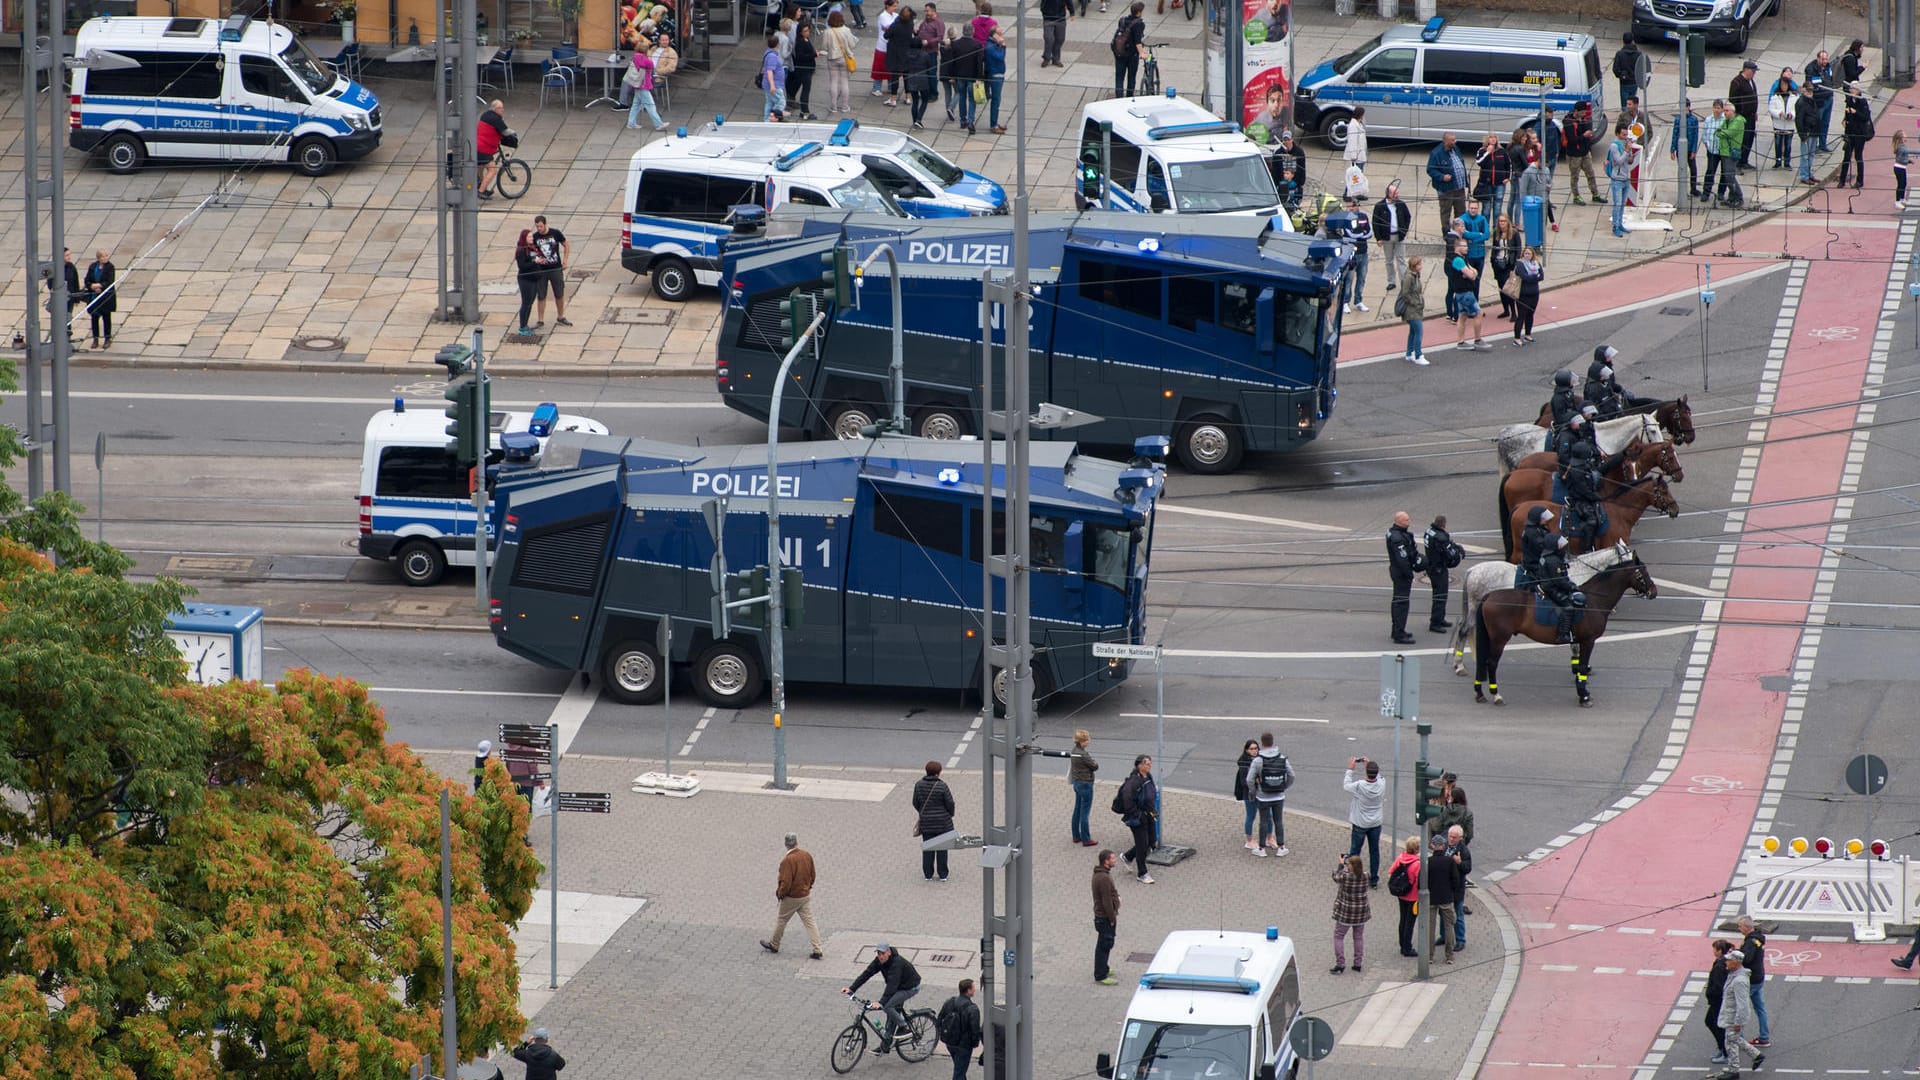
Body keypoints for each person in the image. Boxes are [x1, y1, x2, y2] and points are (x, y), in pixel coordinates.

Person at [845, 943, 923, 1051]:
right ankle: (886, 1045)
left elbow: (892, 985)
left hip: (910, 987)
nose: (880, 956)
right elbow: (867, 974)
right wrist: (852, 988)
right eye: (878, 953)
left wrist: (881, 1002)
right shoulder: (879, 961)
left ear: (889, 952)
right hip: (898, 986)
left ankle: (904, 1027)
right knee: (890, 1017)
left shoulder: (897, 963)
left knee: (887, 1006)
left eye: (883, 953)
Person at [761, 832, 825, 958]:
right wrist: (808, 887)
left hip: (791, 897)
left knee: (782, 919)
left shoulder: (787, 860)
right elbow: (813, 874)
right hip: (805, 895)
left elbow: (786, 882)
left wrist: (780, 894)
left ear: (786, 844)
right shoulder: (806, 855)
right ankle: (817, 948)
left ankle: (774, 944)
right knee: (810, 922)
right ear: (796, 842)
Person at [1713, 951, 1765, 1078]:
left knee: (1731, 1041)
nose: (1726, 962)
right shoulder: (1734, 975)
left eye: (1729, 960)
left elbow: (1743, 1004)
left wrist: (1739, 1021)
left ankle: (1735, 1070)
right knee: (1732, 1040)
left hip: (1733, 1016)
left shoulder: (1739, 980)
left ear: (1736, 962)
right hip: (1730, 1014)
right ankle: (1751, 1058)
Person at [1245, 733, 1294, 856]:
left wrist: (1254, 791)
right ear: (1273, 742)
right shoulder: (1282, 758)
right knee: (1278, 821)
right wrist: (1284, 787)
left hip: (1263, 796)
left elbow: (1249, 780)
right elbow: (1292, 775)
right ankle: (1281, 847)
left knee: (1264, 821)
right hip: (1279, 796)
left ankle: (1261, 849)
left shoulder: (1258, 760)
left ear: (1262, 743)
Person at [1116, 754, 1159, 882]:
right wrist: (1137, 815)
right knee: (1142, 845)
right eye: (1147, 763)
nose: (1150, 765)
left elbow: (1150, 794)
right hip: (1138, 817)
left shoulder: (1148, 776)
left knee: (1152, 841)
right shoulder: (1134, 781)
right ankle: (1142, 873)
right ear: (1140, 765)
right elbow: (1127, 799)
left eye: (1150, 763)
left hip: (1149, 813)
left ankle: (1128, 857)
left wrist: (1154, 814)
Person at [1343, 757, 1385, 885]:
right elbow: (1380, 776)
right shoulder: (1382, 784)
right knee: (1374, 851)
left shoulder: (1360, 785)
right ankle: (1374, 880)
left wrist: (1350, 769)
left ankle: (1353, 877)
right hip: (1376, 823)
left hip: (1360, 823)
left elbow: (1346, 786)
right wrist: (1369, 765)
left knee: (1355, 851)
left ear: (1366, 773)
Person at [1385, 510, 1425, 642]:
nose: (1409, 522)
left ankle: (1397, 630)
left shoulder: (1394, 532)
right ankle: (1399, 634)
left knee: (1398, 601)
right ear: (1399, 521)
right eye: (1406, 520)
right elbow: (1402, 559)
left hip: (1397, 571)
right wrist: (1410, 575)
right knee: (1401, 603)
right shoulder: (1398, 538)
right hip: (1401, 573)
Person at [913, 760, 956, 880]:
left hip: (926, 823)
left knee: (928, 848)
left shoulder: (918, 785)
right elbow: (950, 803)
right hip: (943, 823)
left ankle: (928, 874)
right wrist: (949, 814)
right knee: (942, 848)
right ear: (938, 773)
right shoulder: (942, 786)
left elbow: (915, 802)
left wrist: (923, 812)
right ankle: (943, 874)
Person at [1538, 535, 1584, 644]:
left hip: (1549, 585)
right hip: (1552, 589)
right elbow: (1559, 580)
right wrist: (1572, 587)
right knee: (1568, 606)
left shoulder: (1548, 557)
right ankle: (1563, 634)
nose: (1562, 547)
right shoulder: (1553, 560)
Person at [1330, 853, 1371, 974]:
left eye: (1349, 864)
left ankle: (1340, 964)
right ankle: (1357, 963)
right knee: (1358, 937)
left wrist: (1340, 864)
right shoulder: (1366, 875)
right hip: (1361, 912)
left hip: (1346, 912)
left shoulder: (1345, 877)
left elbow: (1335, 876)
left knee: (1338, 936)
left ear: (1351, 866)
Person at [528, 216, 571, 329]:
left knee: (559, 293)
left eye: (541, 226)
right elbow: (530, 253)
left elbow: (566, 244)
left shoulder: (555, 233)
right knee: (541, 295)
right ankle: (540, 320)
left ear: (545, 224)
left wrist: (565, 260)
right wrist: (536, 260)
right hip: (541, 270)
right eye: (537, 226)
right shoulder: (535, 237)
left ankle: (561, 316)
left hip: (555, 268)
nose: (539, 229)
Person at [1425, 834, 1462, 964]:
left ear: (1432, 846)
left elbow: (1421, 882)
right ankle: (1449, 955)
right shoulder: (1449, 861)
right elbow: (1455, 880)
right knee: (1449, 926)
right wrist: (1451, 891)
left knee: (1430, 927)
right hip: (1446, 898)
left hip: (1431, 898)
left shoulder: (1427, 862)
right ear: (1442, 846)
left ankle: (1429, 956)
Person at [936, 979, 983, 1078]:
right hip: (963, 1046)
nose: (975, 990)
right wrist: (975, 1043)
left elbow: (940, 1018)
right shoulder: (973, 1009)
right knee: (959, 1073)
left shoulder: (950, 1001)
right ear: (968, 991)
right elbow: (975, 1030)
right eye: (973, 988)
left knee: (960, 1068)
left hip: (950, 1042)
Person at [1446, 238, 1486, 352]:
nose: (1466, 248)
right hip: (1465, 293)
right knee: (1478, 313)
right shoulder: (1458, 260)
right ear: (1457, 247)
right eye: (1464, 246)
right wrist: (1471, 273)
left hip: (1461, 292)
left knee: (1462, 317)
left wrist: (1472, 273)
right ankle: (1477, 339)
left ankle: (1461, 341)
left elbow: (1474, 271)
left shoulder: (1463, 259)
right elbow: (1471, 275)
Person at [1426, 132, 1469, 236]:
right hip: (1446, 189)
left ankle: (1459, 230)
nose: (1455, 142)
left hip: (1459, 187)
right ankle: (1446, 232)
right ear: (1446, 141)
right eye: (1452, 140)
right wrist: (1442, 177)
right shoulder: (1436, 153)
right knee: (1446, 212)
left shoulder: (1455, 148)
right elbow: (1430, 170)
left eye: (1455, 139)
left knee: (1461, 211)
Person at [1737, 914, 1770, 1047]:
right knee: (1760, 1008)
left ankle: (1739, 1039)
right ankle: (1764, 1037)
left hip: (1750, 979)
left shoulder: (1750, 942)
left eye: (1739, 926)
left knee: (1740, 1009)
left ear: (1746, 927)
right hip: (1759, 977)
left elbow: (1747, 959)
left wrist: (1737, 955)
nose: (1738, 929)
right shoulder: (1758, 938)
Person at [1373, 181, 1411, 291]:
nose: (1397, 196)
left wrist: (1404, 231)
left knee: (1401, 260)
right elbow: (1375, 223)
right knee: (1389, 260)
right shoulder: (1380, 206)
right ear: (1388, 194)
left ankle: (1404, 281)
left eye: (1397, 193)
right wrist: (1378, 238)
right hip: (1386, 237)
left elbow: (1407, 217)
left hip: (1399, 236)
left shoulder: (1401, 204)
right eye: (1394, 194)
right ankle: (1391, 281)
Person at [1424, 515, 1460, 632]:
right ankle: (1435, 623)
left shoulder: (1429, 532)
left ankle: (1440, 618)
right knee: (1440, 595)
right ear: (1444, 524)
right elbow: (1449, 553)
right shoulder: (1441, 537)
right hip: (1439, 569)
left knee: (1439, 594)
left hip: (1431, 566)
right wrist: (1458, 553)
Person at [1388, 835, 1422, 957]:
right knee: (1410, 922)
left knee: (1403, 919)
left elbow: (1391, 871)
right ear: (1417, 849)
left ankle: (1402, 945)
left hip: (1401, 894)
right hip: (1413, 898)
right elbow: (1420, 882)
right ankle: (1407, 948)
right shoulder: (1418, 863)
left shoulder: (1401, 858)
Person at [1565, 101, 1603, 205]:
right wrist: (1584, 136)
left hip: (1585, 152)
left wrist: (1590, 137)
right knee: (1575, 176)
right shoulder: (1568, 122)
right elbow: (1572, 140)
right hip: (1574, 155)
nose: (1584, 115)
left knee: (1591, 174)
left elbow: (1588, 131)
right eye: (1582, 113)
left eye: (1584, 112)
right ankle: (1576, 196)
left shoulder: (1585, 120)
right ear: (1576, 111)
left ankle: (1595, 194)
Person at [902, 20, 938, 129]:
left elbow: (905, 67)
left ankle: (914, 120)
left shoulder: (907, 54)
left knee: (915, 101)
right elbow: (929, 68)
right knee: (925, 100)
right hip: (923, 80)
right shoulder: (925, 55)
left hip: (911, 79)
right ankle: (919, 119)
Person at [1092, 849, 1120, 984]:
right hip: (1105, 918)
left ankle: (1104, 968)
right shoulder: (1103, 878)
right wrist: (1112, 918)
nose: (1114, 861)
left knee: (1104, 944)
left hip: (1103, 917)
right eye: (1112, 859)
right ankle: (1101, 975)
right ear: (1106, 861)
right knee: (1105, 945)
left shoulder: (1102, 874)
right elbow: (1106, 900)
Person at [625, 38, 666, 130]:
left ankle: (631, 123)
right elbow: (651, 65)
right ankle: (658, 124)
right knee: (650, 105)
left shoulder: (635, 57)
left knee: (636, 105)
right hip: (643, 84)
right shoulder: (645, 60)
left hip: (637, 84)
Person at [821, 11, 857, 114]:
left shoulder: (828, 32)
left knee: (833, 82)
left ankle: (834, 106)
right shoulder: (846, 30)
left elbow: (824, 46)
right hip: (845, 58)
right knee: (844, 82)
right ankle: (845, 106)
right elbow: (852, 44)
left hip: (832, 58)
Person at [1704, 940, 1734, 1064]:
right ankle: (1722, 1048)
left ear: (1720, 951)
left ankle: (1725, 1052)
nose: (1713, 952)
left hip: (1718, 1001)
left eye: (1715, 949)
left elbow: (1718, 987)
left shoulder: (1719, 966)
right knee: (1711, 1022)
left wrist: (1710, 992)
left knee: (1715, 1024)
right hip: (1719, 1001)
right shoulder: (1723, 962)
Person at [1339, 197, 1370, 314]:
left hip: (1363, 252)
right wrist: (1363, 233)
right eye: (1348, 206)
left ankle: (1358, 301)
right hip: (1352, 253)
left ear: (1357, 206)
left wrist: (1361, 234)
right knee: (1349, 279)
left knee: (1361, 278)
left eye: (1352, 206)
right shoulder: (1346, 219)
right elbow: (1350, 235)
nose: (1350, 209)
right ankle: (1345, 302)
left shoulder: (1364, 217)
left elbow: (1370, 233)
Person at [1839, 82, 1873, 190]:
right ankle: (1842, 180)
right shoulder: (1849, 100)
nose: (1851, 90)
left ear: (1858, 90)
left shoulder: (1862, 102)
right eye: (1850, 88)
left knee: (1858, 156)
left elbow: (1865, 116)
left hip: (1860, 133)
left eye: (1853, 88)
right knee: (1846, 157)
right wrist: (1845, 119)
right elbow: (1847, 114)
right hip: (1850, 132)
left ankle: (1860, 181)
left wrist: (1855, 112)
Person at [1713, 99, 1747, 206]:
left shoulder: (1738, 121)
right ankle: (1732, 197)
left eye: (1727, 111)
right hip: (1724, 151)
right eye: (1725, 110)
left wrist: (1721, 132)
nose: (1725, 113)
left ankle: (1739, 197)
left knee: (1729, 176)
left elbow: (1728, 133)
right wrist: (1721, 132)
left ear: (1733, 111)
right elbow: (1718, 131)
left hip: (1731, 152)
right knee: (1727, 176)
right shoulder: (1727, 121)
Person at [1442, 824, 1471, 948]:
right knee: (1443, 912)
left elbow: (1467, 868)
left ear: (1460, 838)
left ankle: (1460, 940)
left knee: (1458, 914)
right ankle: (1444, 936)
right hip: (1444, 886)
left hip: (1457, 888)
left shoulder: (1463, 851)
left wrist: (1459, 863)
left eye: (1454, 837)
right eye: (1450, 836)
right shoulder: (1444, 847)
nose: (1451, 839)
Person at [1475, 135, 1511, 230]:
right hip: (1486, 185)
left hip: (1500, 184)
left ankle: (1496, 231)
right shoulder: (1482, 150)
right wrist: (1487, 152)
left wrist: (1508, 177)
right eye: (1491, 137)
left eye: (1495, 137)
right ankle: (1485, 230)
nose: (1493, 139)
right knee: (1486, 209)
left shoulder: (1502, 151)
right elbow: (1479, 162)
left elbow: (1508, 165)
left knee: (1497, 209)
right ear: (1487, 139)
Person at [1069, 729, 1098, 846]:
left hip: (1077, 783)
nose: (1089, 741)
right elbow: (1094, 766)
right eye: (1086, 740)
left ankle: (1076, 836)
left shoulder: (1074, 751)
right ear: (1081, 742)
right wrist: (1094, 762)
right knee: (1084, 813)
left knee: (1077, 810)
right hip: (1086, 784)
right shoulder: (1083, 754)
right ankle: (1086, 839)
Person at [83, 248, 116, 349]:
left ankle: (107, 338)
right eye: (103, 256)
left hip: (105, 296)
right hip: (94, 296)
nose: (105, 258)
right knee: (94, 318)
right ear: (98, 258)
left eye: (106, 255)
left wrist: (100, 286)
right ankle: (95, 339)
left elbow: (110, 281)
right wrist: (91, 286)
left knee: (106, 317)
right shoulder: (93, 266)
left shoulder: (110, 267)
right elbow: (87, 279)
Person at [1488, 214, 1520, 320]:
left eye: (1504, 221)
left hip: (1508, 265)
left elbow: (1518, 249)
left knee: (1508, 289)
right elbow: (1494, 248)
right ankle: (1505, 310)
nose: (1502, 223)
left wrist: (1514, 264)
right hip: (1498, 264)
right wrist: (1492, 261)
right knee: (1501, 289)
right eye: (1500, 221)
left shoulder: (1514, 233)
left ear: (1508, 222)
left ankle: (1513, 312)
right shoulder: (1497, 233)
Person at [1397, 255, 1427, 366]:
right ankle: (1418, 355)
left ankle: (1409, 353)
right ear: (1414, 266)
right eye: (1419, 264)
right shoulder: (1409, 277)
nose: (1421, 266)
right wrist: (1414, 303)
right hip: (1412, 309)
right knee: (1419, 331)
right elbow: (1405, 293)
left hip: (1415, 308)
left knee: (1413, 332)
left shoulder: (1415, 276)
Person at [1730, 59, 1759, 169]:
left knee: (1749, 139)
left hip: (1751, 116)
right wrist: (1736, 114)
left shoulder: (1751, 81)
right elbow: (1733, 100)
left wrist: (1755, 111)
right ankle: (1737, 163)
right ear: (1746, 70)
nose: (1754, 73)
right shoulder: (1736, 82)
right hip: (1741, 116)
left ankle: (1744, 160)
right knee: (1741, 140)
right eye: (1753, 71)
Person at [1112, 2, 1146, 98]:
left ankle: (1118, 99)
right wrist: (1142, 53)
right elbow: (1137, 41)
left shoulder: (1122, 20)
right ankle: (1129, 97)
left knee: (1119, 77)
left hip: (1119, 52)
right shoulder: (1139, 24)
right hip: (1131, 55)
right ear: (1139, 12)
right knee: (1131, 78)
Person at [1517, 506, 1556, 589]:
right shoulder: (1532, 532)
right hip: (1534, 564)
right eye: (1543, 518)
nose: (1546, 520)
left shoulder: (1540, 528)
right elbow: (1542, 546)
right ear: (1536, 518)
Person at [512, 229, 541, 337]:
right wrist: (534, 262)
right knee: (526, 303)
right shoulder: (521, 250)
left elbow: (534, 259)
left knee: (530, 303)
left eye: (531, 237)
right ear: (524, 238)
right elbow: (522, 266)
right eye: (529, 237)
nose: (531, 239)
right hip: (525, 280)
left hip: (534, 278)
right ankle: (522, 326)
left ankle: (525, 324)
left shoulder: (532, 248)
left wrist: (539, 261)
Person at [1606, 122, 1634, 237]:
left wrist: (1631, 155)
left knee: (1622, 203)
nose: (1625, 137)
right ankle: (1615, 226)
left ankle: (1620, 223)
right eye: (1623, 135)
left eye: (1626, 134)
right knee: (1617, 204)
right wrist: (1627, 151)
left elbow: (1629, 161)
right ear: (1618, 134)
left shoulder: (1626, 144)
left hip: (1626, 178)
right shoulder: (1614, 146)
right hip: (1617, 179)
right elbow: (1618, 161)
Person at [1671, 99, 1702, 199]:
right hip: (1680, 149)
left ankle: (1693, 188)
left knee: (1693, 169)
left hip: (1689, 149)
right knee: (1682, 169)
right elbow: (1675, 134)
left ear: (1688, 107)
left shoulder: (1694, 120)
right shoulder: (1678, 119)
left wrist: (1693, 150)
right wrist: (1672, 149)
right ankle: (1682, 190)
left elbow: (1695, 136)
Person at [1806, 48, 1835, 152]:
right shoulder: (1811, 69)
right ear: (1817, 58)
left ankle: (1823, 144)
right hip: (1819, 101)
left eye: (1826, 59)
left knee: (1825, 123)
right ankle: (1814, 145)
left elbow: (1830, 80)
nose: (1825, 61)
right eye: (1822, 59)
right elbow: (1815, 85)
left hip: (1829, 98)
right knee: (1817, 123)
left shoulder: (1828, 67)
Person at [1512, 246, 1543, 343]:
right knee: (1521, 315)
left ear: (1533, 254)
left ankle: (1528, 334)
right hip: (1523, 294)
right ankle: (1517, 338)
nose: (1527, 255)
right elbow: (1524, 277)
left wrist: (1532, 277)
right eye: (1525, 253)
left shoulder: (1537, 264)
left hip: (1534, 293)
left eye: (1529, 253)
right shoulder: (1520, 264)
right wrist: (1535, 276)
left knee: (1530, 314)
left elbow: (1541, 276)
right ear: (1523, 254)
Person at [1235, 738, 1261, 851]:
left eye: (1256, 748)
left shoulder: (1260, 759)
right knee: (1251, 815)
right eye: (1251, 749)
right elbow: (1244, 782)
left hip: (1261, 793)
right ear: (1246, 750)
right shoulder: (1244, 763)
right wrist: (1256, 781)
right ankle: (1249, 840)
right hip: (1249, 794)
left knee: (1269, 816)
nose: (1254, 751)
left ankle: (1269, 837)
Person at [477, 100, 507, 198]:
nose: (503, 110)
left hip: (476, 145)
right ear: (496, 109)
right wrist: (513, 136)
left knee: (481, 167)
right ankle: (481, 191)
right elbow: (505, 131)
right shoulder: (496, 119)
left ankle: (481, 186)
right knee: (492, 170)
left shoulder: (485, 115)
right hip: (483, 148)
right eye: (501, 108)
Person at [788, 21, 818, 119]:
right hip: (804, 70)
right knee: (805, 90)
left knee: (801, 87)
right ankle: (805, 112)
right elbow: (800, 57)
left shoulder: (806, 39)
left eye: (808, 31)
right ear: (800, 32)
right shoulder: (800, 42)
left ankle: (802, 109)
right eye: (805, 31)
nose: (807, 33)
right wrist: (814, 54)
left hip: (808, 69)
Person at [872, 0, 900, 102]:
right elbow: (887, 28)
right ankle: (877, 88)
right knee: (879, 67)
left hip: (892, 46)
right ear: (887, 6)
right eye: (894, 6)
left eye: (896, 6)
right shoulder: (883, 16)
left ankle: (890, 86)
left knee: (890, 68)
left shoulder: (896, 15)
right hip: (882, 46)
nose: (895, 8)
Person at [1795, 81, 1821, 185]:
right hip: (1807, 132)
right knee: (1805, 155)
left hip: (1814, 131)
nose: (1811, 93)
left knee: (1811, 155)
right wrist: (1802, 134)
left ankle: (1809, 174)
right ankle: (1804, 176)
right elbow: (1799, 120)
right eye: (1809, 90)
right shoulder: (1801, 102)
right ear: (1804, 90)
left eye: (1812, 91)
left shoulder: (1812, 101)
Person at [981, 27, 1006, 133]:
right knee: (996, 100)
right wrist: (1003, 46)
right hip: (995, 75)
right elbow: (1000, 57)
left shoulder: (992, 44)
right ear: (994, 35)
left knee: (997, 100)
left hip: (998, 73)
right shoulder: (990, 47)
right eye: (999, 34)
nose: (1002, 37)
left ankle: (994, 122)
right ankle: (993, 125)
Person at [1611, 31, 1644, 110]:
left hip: (1624, 82)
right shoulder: (1638, 54)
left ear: (1623, 41)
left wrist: (1621, 75)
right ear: (1633, 41)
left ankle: (1626, 118)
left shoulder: (1620, 54)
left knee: (1624, 105)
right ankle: (1632, 117)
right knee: (1632, 101)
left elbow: (1615, 69)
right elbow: (1641, 69)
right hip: (1634, 82)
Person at [1039, 0, 1069, 67]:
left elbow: (1069, 1)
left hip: (1060, 19)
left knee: (1060, 39)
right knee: (1049, 39)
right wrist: (1044, 11)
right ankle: (1046, 58)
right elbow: (1043, 4)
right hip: (1048, 19)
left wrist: (1072, 12)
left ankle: (1056, 59)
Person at [1343, 106, 1369, 172]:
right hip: (1357, 158)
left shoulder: (1359, 124)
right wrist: (1353, 156)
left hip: (1360, 156)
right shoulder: (1353, 126)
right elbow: (1352, 141)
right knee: (1356, 177)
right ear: (1360, 115)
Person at [1895, 129, 1912, 210]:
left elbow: (1903, 157)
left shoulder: (1903, 146)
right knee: (1900, 185)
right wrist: (1907, 161)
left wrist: (1908, 161)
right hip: (1899, 168)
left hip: (1902, 168)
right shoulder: (1901, 148)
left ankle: (1902, 199)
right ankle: (1897, 201)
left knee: (1904, 184)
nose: (1906, 136)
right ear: (1901, 138)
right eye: (1904, 135)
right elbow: (1899, 159)